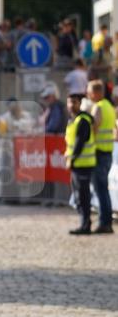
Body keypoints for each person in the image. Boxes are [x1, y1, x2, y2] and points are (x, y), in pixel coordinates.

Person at [87, 78, 116, 233]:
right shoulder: (109, 107)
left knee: (101, 190)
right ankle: (106, 221)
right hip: (108, 151)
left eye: (90, 91)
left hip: (98, 152)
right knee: (103, 189)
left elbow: (94, 127)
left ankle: (105, 222)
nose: (88, 94)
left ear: (97, 93)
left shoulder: (98, 107)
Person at [65, 93, 96, 235]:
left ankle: (85, 225)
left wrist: (72, 159)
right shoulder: (73, 120)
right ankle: (85, 223)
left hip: (83, 163)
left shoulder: (82, 120)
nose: (72, 105)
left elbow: (79, 142)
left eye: (75, 102)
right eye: (70, 102)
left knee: (82, 195)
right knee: (79, 195)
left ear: (80, 103)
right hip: (78, 163)